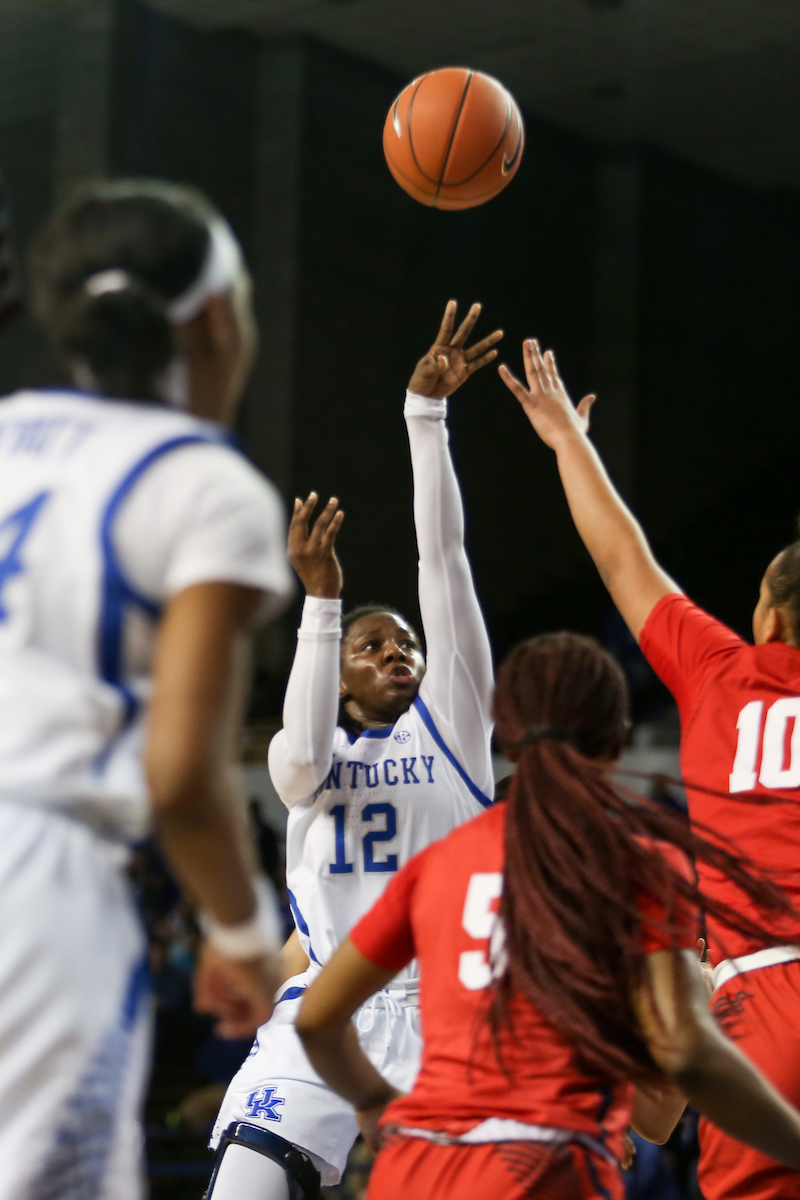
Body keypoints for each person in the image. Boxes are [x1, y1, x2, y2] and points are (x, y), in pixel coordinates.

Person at [0, 179, 293, 1200]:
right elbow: (180, 773)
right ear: (216, 318)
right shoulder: (201, 481)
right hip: (35, 879)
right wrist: (242, 932)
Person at [295, 632, 800, 1200]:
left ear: (507, 736)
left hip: (414, 1172)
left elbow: (316, 1019)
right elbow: (680, 1070)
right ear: (616, 740)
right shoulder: (635, 862)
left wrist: (371, 1101)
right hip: (539, 1169)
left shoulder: (437, 863)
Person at [207, 301, 501, 1199]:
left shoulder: (453, 729)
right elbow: (296, 759)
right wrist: (323, 604)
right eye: (371, 646)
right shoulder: (312, 761)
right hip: (323, 1013)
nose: (396, 653)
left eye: (405, 644)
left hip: (449, 1013)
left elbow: (442, 558)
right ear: (335, 671)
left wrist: (426, 417)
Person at [499, 338, 800, 1200]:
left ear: (769, 617)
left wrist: (570, 444)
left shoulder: (724, 674)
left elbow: (623, 558)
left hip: (763, 1006)